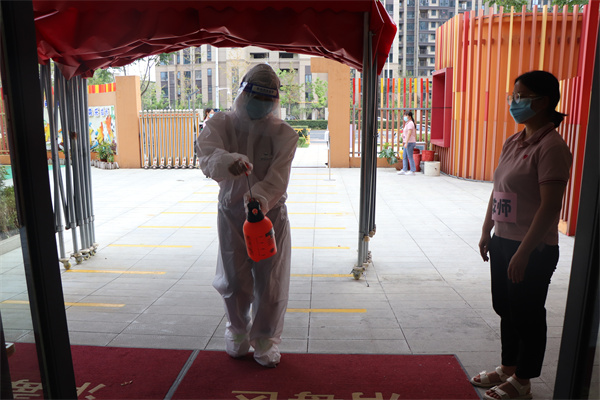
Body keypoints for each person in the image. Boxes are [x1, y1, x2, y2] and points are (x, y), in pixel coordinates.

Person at [471, 70, 572, 400]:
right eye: (512, 96)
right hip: (503, 240)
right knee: (505, 307)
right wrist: (487, 229)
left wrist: (525, 251)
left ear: (543, 102)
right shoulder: (513, 141)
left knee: (527, 313)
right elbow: (498, 188)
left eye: (520, 97)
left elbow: (550, 206)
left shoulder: (552, 147)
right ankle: (508, 367)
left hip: (532, 247)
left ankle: (523, 380)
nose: (514, 103)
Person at [195, 64, 298, 367]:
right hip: (231, 213)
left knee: (270, 281)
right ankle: (238, 333)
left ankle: (265, 341)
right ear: (243, 94)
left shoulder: (284, 134)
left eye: (268, 100)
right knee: (234, 278)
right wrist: (229, 161)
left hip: (270, 217)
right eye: (257, 97)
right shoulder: (221, 124)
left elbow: (278, 178)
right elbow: (206, 154)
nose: (261, 105)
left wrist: (259, 198)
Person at [398, 111, 416, 175]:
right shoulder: (407, 123)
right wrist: (402, 135)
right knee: (404, 156)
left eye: (406, 115)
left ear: (410, 117)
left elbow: (409, 133)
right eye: (404, 115)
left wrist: (406, 142)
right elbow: (406, 132)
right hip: (407, 142)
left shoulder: (410, 123)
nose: (405, 117)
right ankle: (404, 169)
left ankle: (412, 171)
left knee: (410, 156)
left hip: (410, 142)